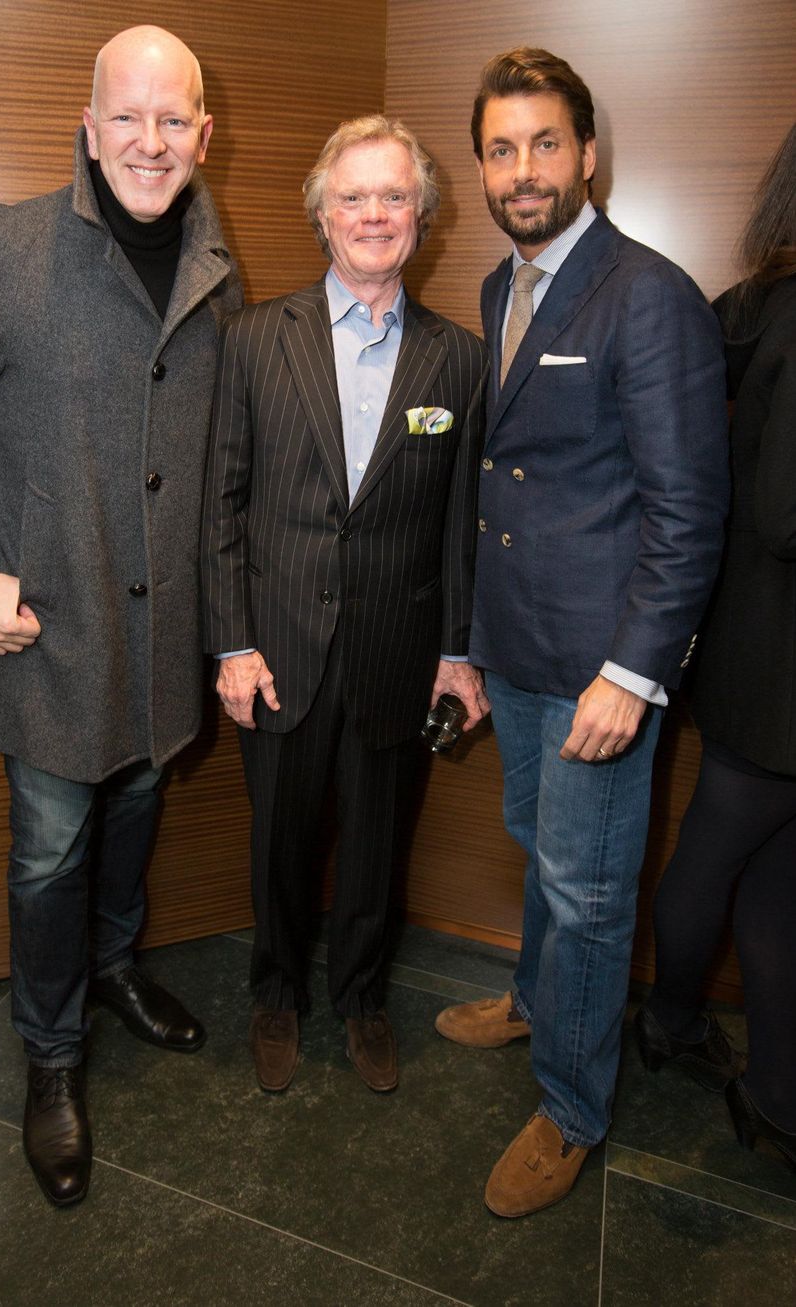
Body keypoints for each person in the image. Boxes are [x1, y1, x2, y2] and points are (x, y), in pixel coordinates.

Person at [0, 26, 243, 1207]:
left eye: (171, 118)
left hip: (161, 635)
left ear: (203, 133)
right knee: (48, 852)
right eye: (125, 116)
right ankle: (49, 1051)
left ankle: (115, 967)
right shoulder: (5, 248)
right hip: (48, 637)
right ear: (87, 126)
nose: (149, 140)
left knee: (134, 807)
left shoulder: (216, 268)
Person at [434, 48, 728, 1216]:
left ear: (587, 153)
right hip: (515, 649)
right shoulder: (499, 287)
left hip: (598, 670)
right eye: (499, 148)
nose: (522, 170)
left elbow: (686, 511)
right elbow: (509, 480)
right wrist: (468, 645)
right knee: (541, 851)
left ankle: (569, 1106)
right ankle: (534, 999)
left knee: (590, 890)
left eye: (543, 143)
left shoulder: (646, 293)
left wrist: (632, 673)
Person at [202, 115, 488, 1096]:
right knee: (278, 838)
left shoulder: (460, 362)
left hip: (395, 651)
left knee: (376, 842)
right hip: (277, 649)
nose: (374, 213)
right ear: (322, 215)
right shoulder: (252, 340)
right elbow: (220, 504)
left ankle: (362, 997)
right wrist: (231, 645)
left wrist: (457, 652)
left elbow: (460, 526)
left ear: (422, 215)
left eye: (394, 195)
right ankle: (275, 991)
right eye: (353, 196)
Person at [637, 124, 796, 1173]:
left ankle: (773, 1092)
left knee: (770, 869)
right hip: (775, 659)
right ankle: (670, 1021)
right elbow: (785, 512)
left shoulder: (753, 300)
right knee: (723, 852)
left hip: (751, 644)